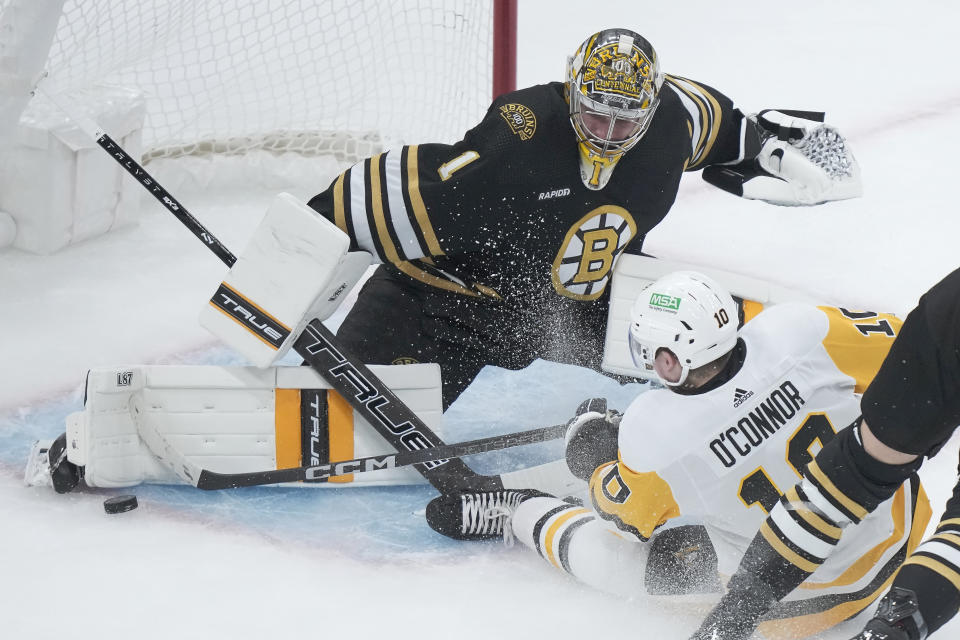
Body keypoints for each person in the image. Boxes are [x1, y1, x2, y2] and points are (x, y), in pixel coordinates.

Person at [305, 27, 862, 409]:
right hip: (444, 304)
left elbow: (719, 124)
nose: (608, 133)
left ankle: (831, 358)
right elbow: (367, 198)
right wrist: (271, 291)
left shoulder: (669, 121)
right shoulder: (518, 139)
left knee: (708, 353)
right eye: (596, 114)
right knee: (346, 434)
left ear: (650, 106)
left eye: (626, 122)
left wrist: (764, 147)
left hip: (583, 306)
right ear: (573, 89)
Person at [424, 270, 929, 640]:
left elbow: (625, 513)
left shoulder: (653, 432)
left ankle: (521, 513)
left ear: (669, 360)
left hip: (793, 607)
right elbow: (911, 350)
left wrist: (596, 455)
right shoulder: (799, 330)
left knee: (622, 558)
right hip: (900, 542)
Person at [688, 266, 960, 640]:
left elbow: (855, 473)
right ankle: (890, 629)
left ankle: (730, 621)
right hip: (890, 548)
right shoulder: (801, 330)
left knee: (855, 469)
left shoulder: (659, 430)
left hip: (949, 309)